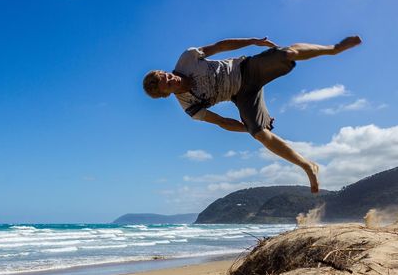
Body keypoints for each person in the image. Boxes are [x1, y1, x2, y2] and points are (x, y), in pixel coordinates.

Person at [143, 35, 362, 193]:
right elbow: (222, 122)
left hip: (247, 68)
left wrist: (254, 41)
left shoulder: (187, 59)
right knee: (260, 135)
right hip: (242, 96)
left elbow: (220, 46)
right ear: (166, 94)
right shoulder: (189, 106)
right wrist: (248, 127)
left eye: (167, 75)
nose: (173, 79)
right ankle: (308, 166)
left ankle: (332, 48)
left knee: (287, 53)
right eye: (168, 84)